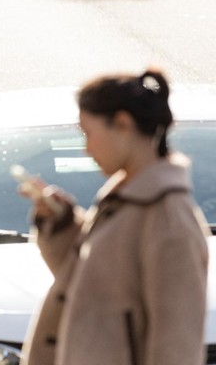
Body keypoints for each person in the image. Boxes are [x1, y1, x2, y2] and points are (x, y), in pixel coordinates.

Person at [19, 68, 210, 365]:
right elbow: (87, 282)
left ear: (122, 124)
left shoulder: (168, 218)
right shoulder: (130, 198)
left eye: (88, 133)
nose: (86, 148)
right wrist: (62, 221)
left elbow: (177, 347)